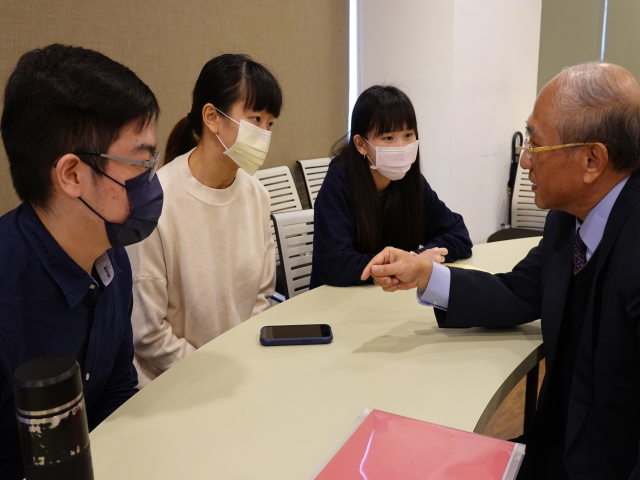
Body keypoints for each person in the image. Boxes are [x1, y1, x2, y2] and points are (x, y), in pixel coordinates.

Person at [362, 62, 640, 479]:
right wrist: (426, 274)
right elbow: (522, 290)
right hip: (556, 447)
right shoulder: (567, 218)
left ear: (591, 160)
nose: (524, 161)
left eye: (535, 144)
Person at [0, 44, 162, 479]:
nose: (152, 181)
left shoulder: (112, 261)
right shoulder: (7, 296)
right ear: (72, 174)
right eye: (141, 163)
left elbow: (116, 393)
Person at [126, 54, 281, 387]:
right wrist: (214, 375)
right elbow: (148, 332)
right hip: (171, 384)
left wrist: (242, 364)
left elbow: (260, 297)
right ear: (211, 117)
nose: (264, 134)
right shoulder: (158, 201)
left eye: (270, 123)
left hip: (239, 374)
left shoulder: (257, 195)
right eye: (255, 118)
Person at [310, 85, 472, 289]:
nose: (401, 147)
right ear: (361, 144)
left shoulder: (410, 180)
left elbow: (459, 235)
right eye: (388, 138)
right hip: (338, 299)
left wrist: (416, 261)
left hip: (392, 295)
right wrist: (410, 263)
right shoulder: (340, 182)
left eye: (408, 135)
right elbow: (337, 265)